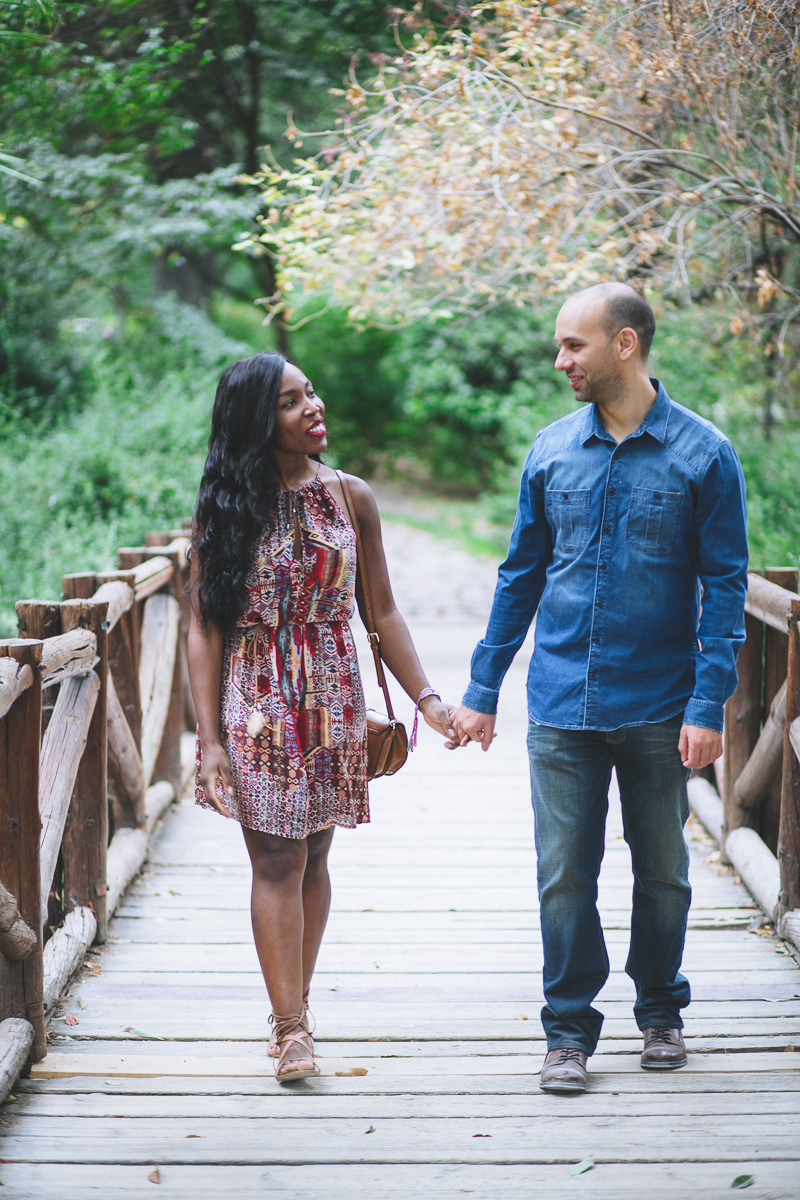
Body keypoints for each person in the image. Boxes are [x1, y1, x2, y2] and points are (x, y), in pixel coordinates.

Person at [450, 283, 749, 1093]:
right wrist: (483, 690)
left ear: (624, 344)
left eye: (573, 345)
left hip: (661, 705)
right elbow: (520, 578)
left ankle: (660, 1013)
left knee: (663, 874)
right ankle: (569, 1034)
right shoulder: (550, 451)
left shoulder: (705, 455)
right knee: (562, 876)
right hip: (559, 705)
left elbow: (726, 590)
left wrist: (707, 702)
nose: (561, 361)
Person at [187, 351, 455, 1084]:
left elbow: (384, 610)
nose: (315, 407)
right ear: (254, 420)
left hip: (332, 696)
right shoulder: (225, 505)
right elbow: (204, 627)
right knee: (276, 855)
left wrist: (427, 698)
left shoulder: (350, 497)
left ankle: (292, 1004)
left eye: (313, 391)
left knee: (315, 856)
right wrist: (209, 741)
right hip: (259, 699)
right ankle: (293, 1028)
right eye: (291, 401)